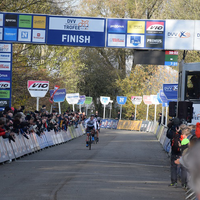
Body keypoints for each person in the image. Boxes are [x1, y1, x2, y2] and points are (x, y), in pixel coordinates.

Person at [166, 118, 182, 187]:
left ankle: (173, 181)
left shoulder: (171, 130)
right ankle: (184, 183)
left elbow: (168, 135)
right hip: (182, 150)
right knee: (183, 168)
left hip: (174, 150)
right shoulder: (182, 130)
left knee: (173, 166)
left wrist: (170, 127)